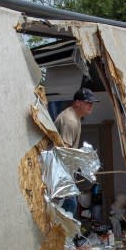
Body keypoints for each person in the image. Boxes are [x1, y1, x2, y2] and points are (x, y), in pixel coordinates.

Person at [54, 87, 99, 216]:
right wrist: (82, 162)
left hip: (63, 171)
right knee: (69, 206)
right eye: (87, 102)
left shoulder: (75, 116)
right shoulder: (70, 121)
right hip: (60, 172)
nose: (91, 105)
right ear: (77, 102)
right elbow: (64, 152)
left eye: (92, 103)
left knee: (68, 206)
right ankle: (64, 236)